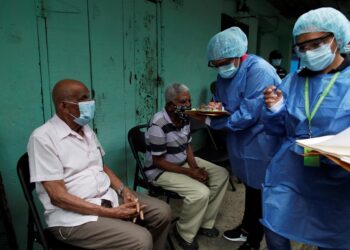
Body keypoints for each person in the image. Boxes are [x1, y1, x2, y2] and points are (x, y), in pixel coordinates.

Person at [27, 79, 171, 250]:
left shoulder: (85, 129)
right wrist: (112, 213)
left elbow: (101, 166)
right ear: (63, 106)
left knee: (162, 212)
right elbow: (58, 198)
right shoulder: (43, 139)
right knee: (140, 239)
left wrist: (123, 190)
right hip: (73, 218)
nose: (90, 103)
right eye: (83, 99)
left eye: (90, 97)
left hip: (106, 197)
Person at [261, 7, 350, 250]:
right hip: (292, 168)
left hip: (337, 176)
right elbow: (277, 129)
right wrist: (275, 110)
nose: (308, 52)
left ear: (336, 39)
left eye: (316, 43)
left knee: (331, 234)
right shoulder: (292, 80)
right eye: (302, 47)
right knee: (274, 223)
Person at [204, 27, 282, 250]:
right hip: (240, 141)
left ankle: (254, 240)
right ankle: (247, 227)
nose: (220, 68)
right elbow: (218, 98)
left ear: (238, 55)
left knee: (262, 192)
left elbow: (249, 114)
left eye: (224, 62)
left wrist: (213, 122)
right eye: (215, 64)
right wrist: (212, 108)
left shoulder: (259, 71)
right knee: (250, 187)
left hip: (262, 141)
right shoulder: (224, 73)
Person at [144, 83, 229, 250]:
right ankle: (183, 232)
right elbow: (158, 161)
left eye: (189, 100)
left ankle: (205, 222)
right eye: (183, 102)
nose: (188, 105)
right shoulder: (158, 124)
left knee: (221, 174)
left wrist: (195, 168)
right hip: (160, 171)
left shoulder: (184, 118)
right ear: (170, 105)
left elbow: (187, 146)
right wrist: (190, 172)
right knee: (200, 193)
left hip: (181, 162)